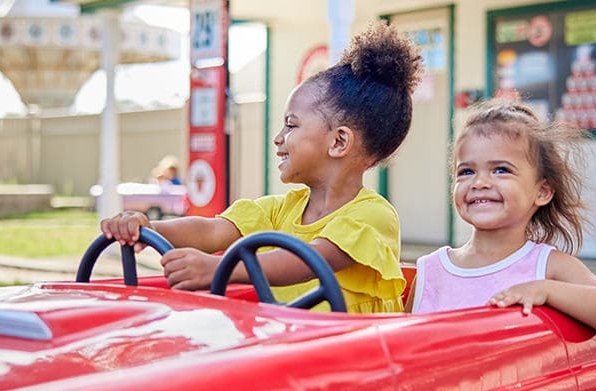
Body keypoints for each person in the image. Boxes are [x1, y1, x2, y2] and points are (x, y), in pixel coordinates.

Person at [101, 22, 423, 313]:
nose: (278, 138)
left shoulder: (373, 216)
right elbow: (212, 230)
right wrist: (149, 230)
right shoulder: (280, 211)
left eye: (290, 125)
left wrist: (218, 270)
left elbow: (307, 261)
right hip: (294, 354)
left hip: (361, 365)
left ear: (338, 142)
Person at [405, 99, 596, 334]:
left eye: (501, 170)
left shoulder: (548, 266)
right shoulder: (431, 271)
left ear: (542, 191)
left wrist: (546, 290)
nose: (480, 182)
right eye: (467, 171)